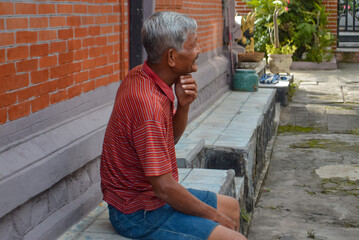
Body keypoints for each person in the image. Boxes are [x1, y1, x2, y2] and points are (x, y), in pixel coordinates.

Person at [100, 11, 248, 240]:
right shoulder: (147, 104)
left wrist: (184, 106)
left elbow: (171, 139)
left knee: (231, 208)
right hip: (137, 212)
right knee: (232, 236)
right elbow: (164, 188)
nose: (198, 50)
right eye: (194, 45)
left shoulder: (145, 75)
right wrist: (213, 217)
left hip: (153, 197)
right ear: (171, 56)